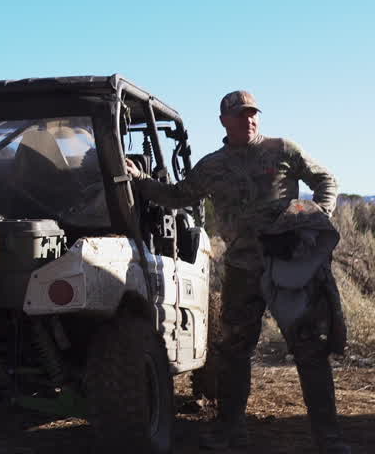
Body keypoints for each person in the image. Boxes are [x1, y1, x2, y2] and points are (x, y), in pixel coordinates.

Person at [124, 90, 347, 453]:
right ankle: (231, 432)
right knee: (233, 351)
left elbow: (327, 180)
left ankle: (329, 438)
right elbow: (179, 195)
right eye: (241, 114)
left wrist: (313, 218)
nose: (250, 120)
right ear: (224, 120)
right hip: (243, 270)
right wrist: (141, 181)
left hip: (288, 267)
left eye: (253, 114)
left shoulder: (283, 150)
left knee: (309, 349)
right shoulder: (212, 166)